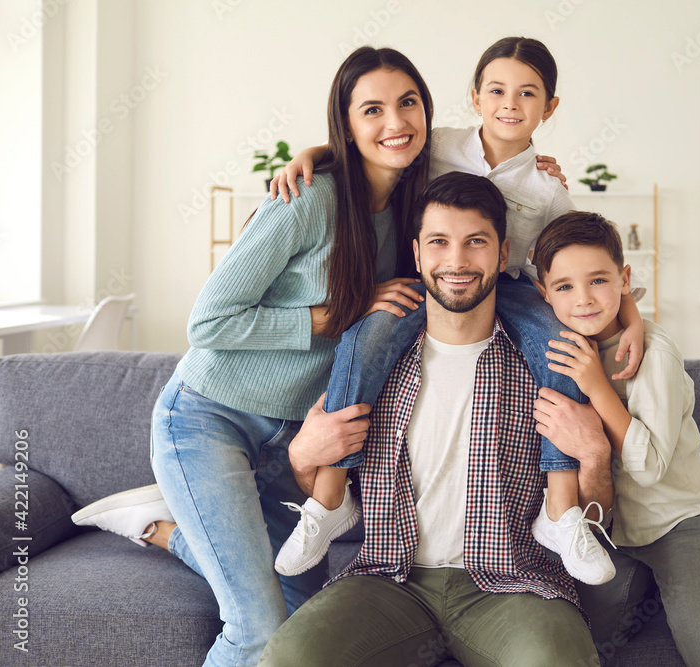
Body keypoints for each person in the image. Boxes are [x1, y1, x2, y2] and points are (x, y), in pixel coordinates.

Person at [69, 46, 436, 667]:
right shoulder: (308, 201)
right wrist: (334, 314)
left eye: (408, 103)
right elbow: (209, 321)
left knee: (303, 626)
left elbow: (500, 152)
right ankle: (185, 521)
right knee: (258, 626)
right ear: (345, 125)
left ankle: (173, 532)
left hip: (291, 446)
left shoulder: (413, 209)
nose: (394, 121)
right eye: (371, 109)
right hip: (207, 422)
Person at [271, 37, 645, 586]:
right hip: (430, 280)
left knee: (563, 349)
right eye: (496, 90)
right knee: (366, 335)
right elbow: (377, 144)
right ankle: (329, 501)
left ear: (550, 107)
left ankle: (562, 510)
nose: (510, 103)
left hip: (510, 286)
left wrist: (631, 315)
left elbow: (586, 254)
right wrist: (311, 155)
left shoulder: (547, 187)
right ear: (474, 97)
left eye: (527, 93)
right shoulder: (440, 143)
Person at [259, 172, 604, 666]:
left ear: (503, 254)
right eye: (439, 243)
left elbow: (607, 511)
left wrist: (594, 454)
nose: (457, 261)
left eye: (476, 243)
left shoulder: (551, 364)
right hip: (387, 580)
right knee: (289, 660)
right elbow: (301, 483)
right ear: (417, 255)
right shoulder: (372, 363)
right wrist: (300, 456)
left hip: (513, 585)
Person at [530, 211, 700, 667]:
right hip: (615, 530)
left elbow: (649, 468)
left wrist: (597, 385)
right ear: (544, 294)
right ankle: (650, 584)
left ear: (623, 279)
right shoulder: (561, 343)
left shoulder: (654, 354)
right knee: (588, 642)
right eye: (565, 287)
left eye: (599, 281)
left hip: (679, 520)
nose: (585, 300)